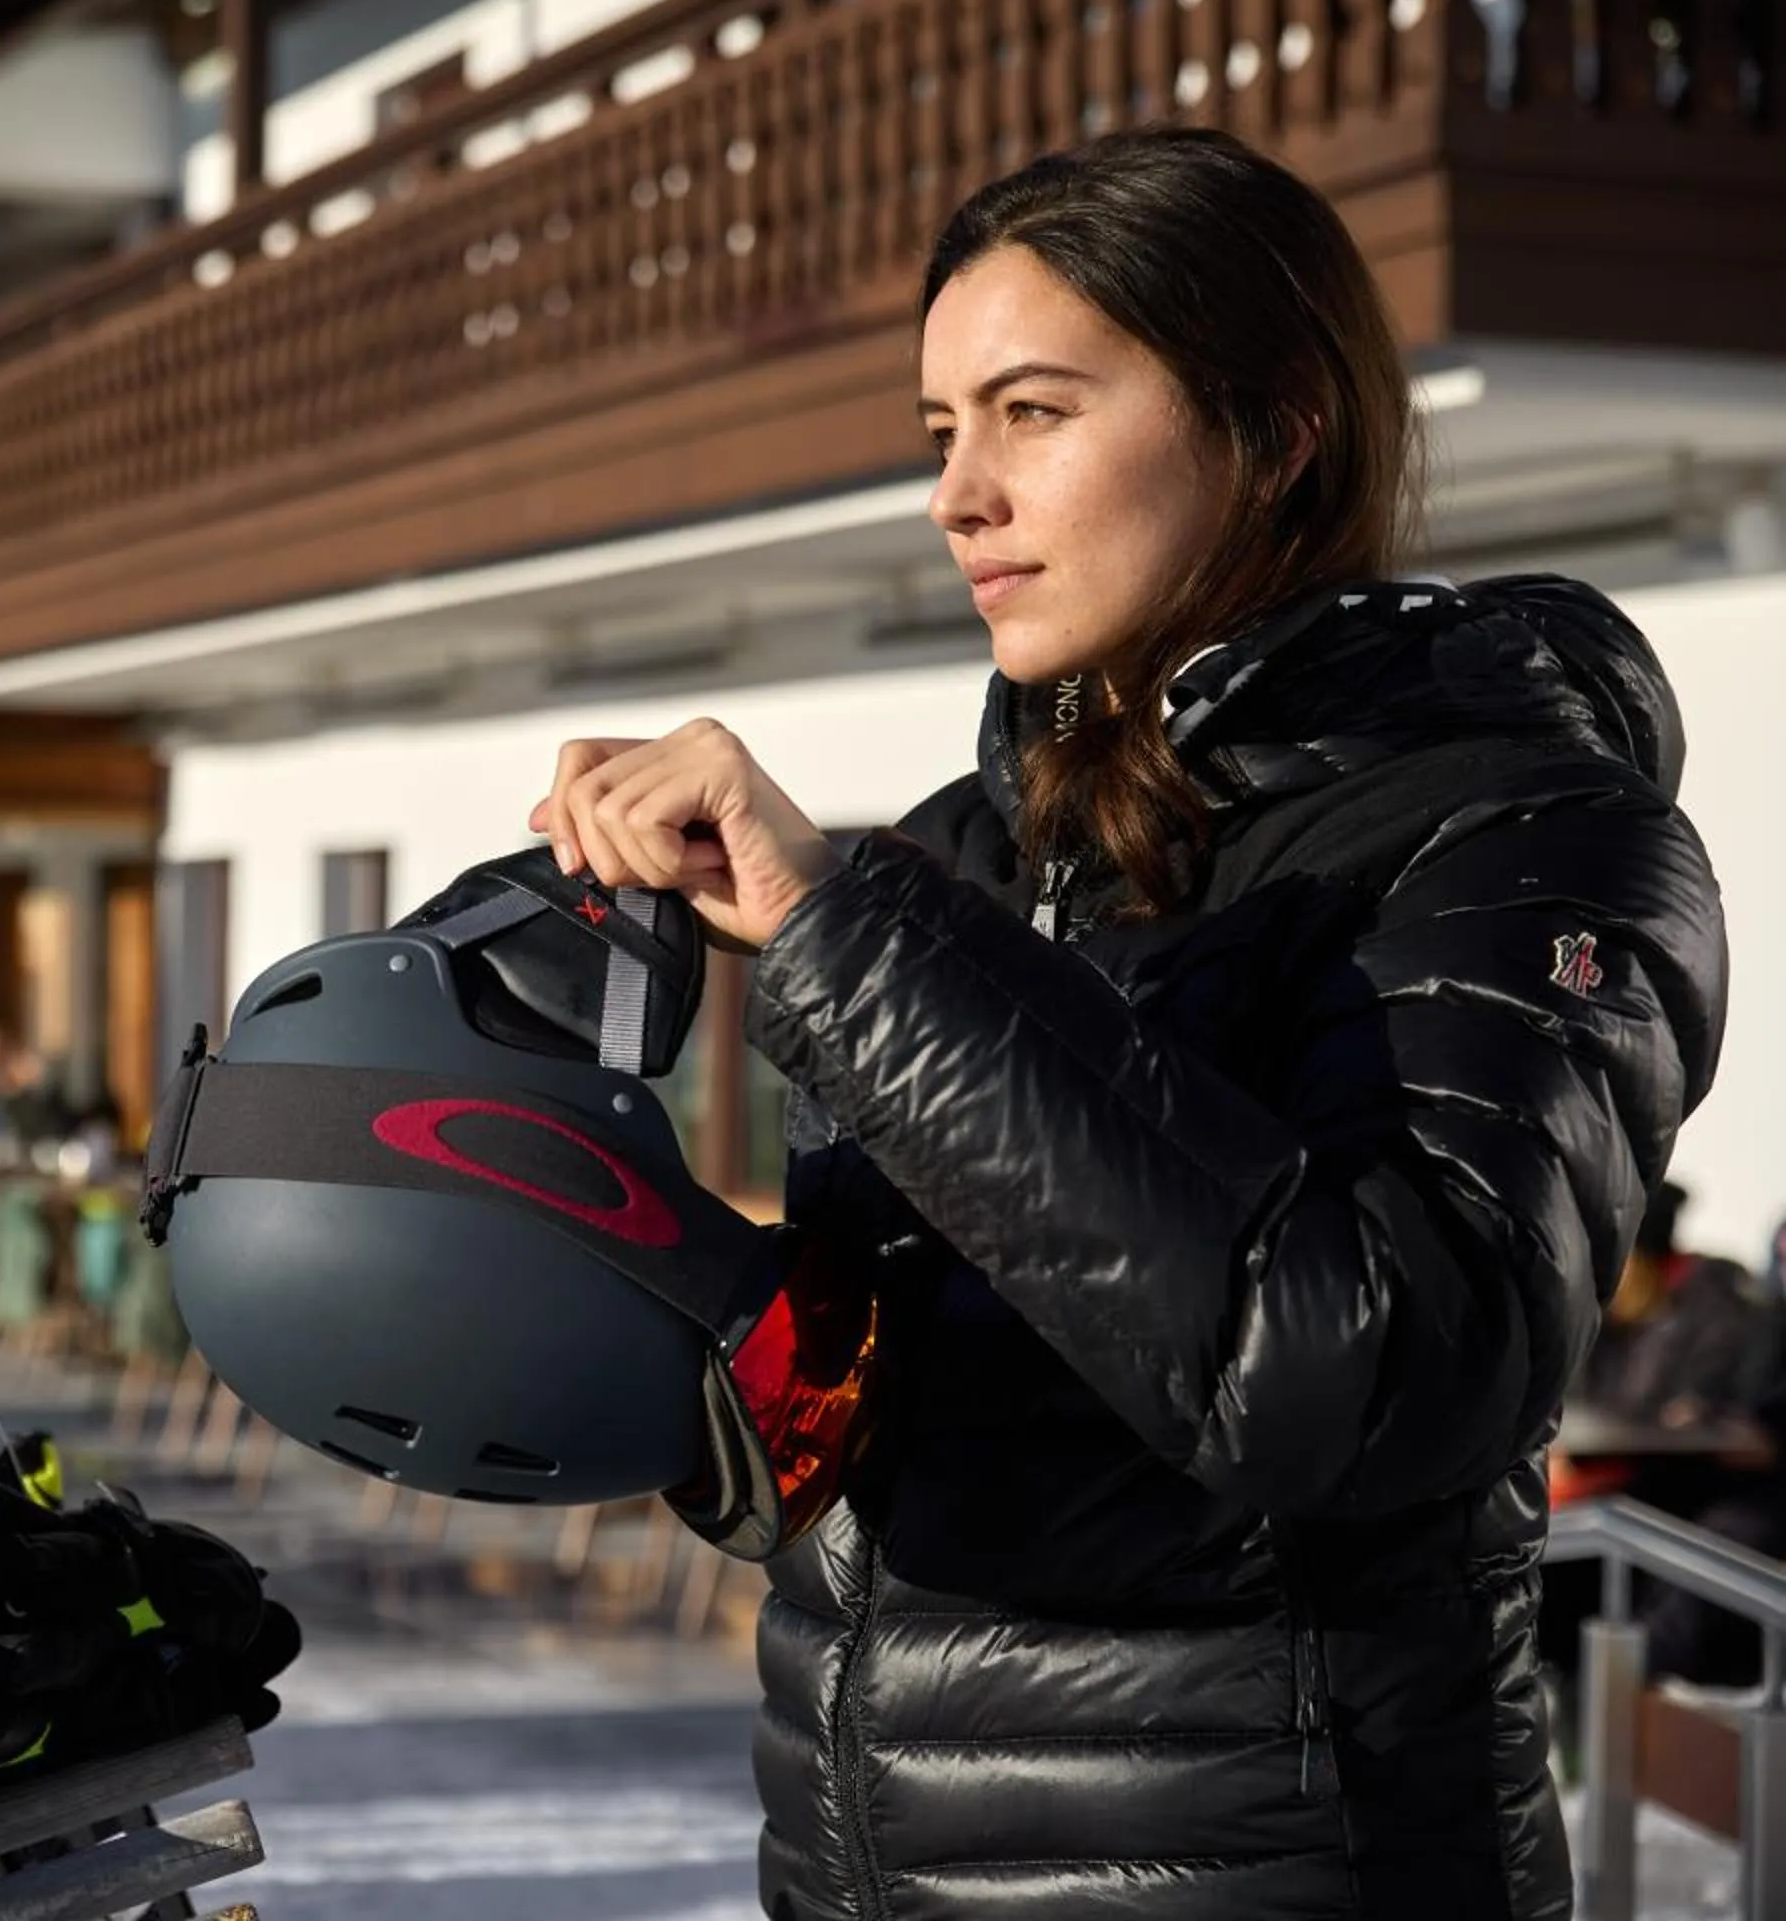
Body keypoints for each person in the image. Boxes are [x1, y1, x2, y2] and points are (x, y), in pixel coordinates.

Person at [528, 129, 1725, 1916]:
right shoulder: (956, 861)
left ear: (1274, 428)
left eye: (1033, 411)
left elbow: (1381, 1377)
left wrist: (846, 940)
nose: (958, 496)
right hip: (865, 1865)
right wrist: (571, 1258)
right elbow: (881, 1432)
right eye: (943, 432)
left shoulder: (1531, 835)